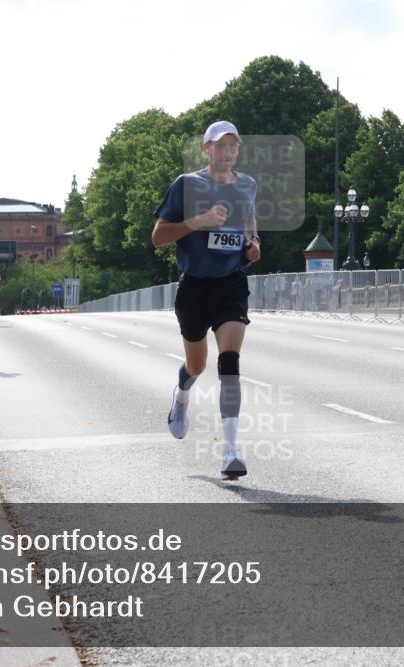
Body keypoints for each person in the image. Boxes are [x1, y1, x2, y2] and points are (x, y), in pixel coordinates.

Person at [152, 120, 260, 481]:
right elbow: (158, 236)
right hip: (195, 286)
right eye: (221, 145)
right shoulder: (187, 185)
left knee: (229, 361)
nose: (228, 152)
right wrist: (199, 220)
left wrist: (253, 245)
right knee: (196, 366)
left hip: (231, 282)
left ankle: (231, 450)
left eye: (233, 146)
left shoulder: (247, 185)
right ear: (206, 148)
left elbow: (249, 226)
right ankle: (181, 396)